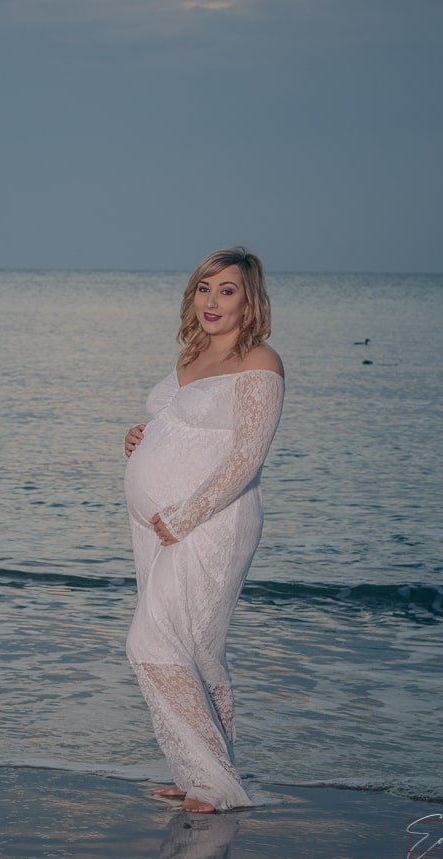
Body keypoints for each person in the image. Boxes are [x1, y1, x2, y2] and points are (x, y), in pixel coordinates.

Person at [123, 246, 284, 813]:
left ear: (251, 300)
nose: (212, 301)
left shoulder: (260, 362)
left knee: (149, 642)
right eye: (204, 288)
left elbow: (246, 457)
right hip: (160, 526)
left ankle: (214, 785)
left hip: (211, 522)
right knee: (198, 649)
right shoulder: (191, 357)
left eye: (228, 290)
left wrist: (184, 517)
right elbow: (184, 428)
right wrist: (142, 439)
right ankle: (203, 775)